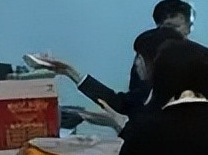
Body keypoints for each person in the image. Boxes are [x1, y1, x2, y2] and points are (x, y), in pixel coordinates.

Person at [40, 26, 181, 128]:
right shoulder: (149, 90)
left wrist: (118, 123)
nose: (136, 63)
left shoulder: (177, 101)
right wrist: (71, 72)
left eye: (140, 57)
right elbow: (119, 104)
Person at [126, 0, 195, 90]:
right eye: (169, 27)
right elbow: (136, 92)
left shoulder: (201, 57)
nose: (172, 32)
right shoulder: (147, 52)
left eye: (176, 26)